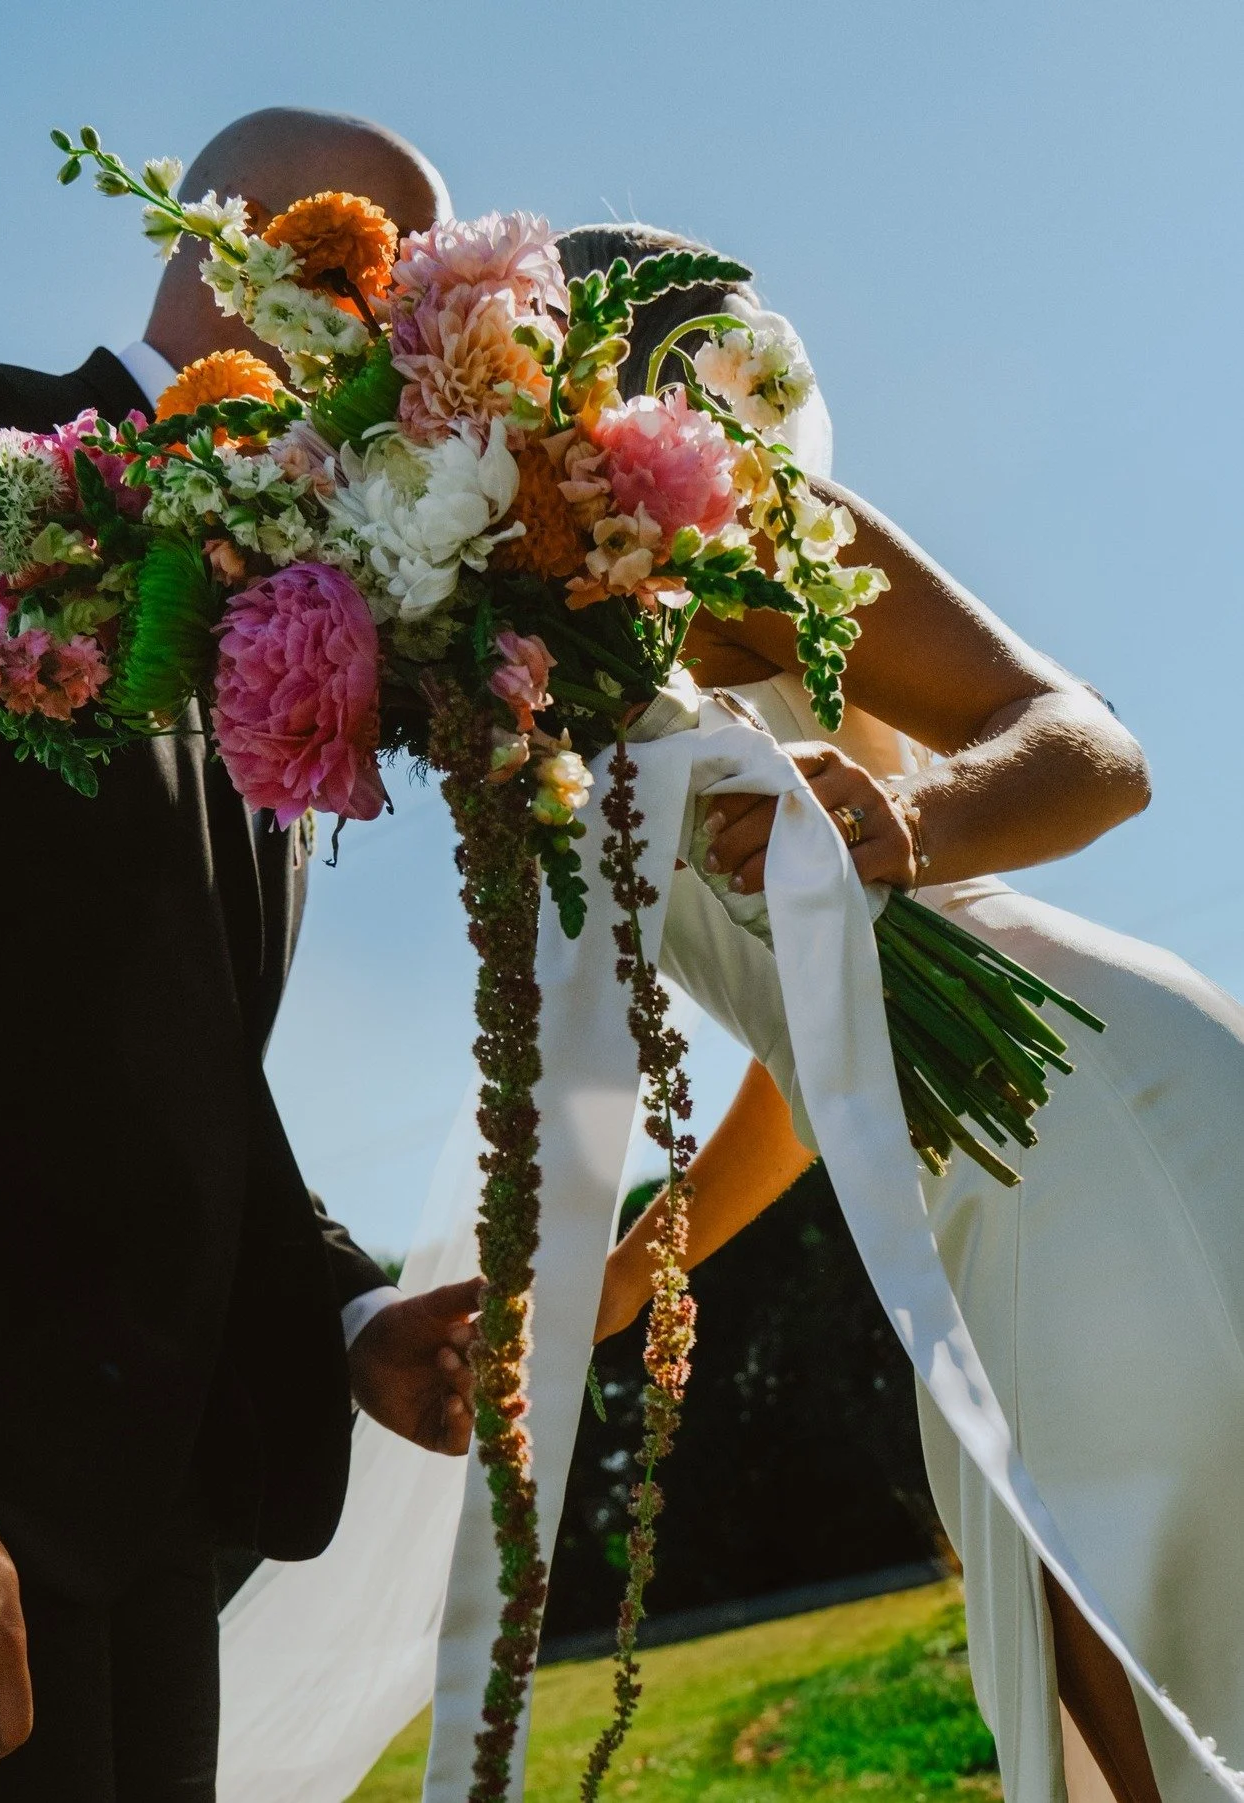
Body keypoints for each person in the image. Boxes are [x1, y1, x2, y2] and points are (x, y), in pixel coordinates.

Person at [0, 110, 480, 1800]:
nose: (421, 369)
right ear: (274, 257)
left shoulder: (263, 607)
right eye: (402, 303)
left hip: (143, 1510)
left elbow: (162, 1043)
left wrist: (346, 1305)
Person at [578, 224, 1244, 1803]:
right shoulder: (524, 649)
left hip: (1080, 1110)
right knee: (1096, 1705)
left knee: (1149, 1683)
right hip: (954, 1173)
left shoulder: (748, 528)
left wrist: (904, 822)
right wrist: (598, 1290)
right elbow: (815, 1074)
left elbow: (1090, 744)